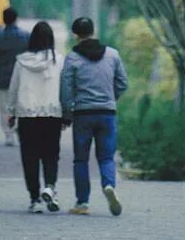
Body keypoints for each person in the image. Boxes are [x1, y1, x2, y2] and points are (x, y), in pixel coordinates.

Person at [60, 16, 128, 217]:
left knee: (81, 160)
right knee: (106, 157)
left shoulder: (72, 58)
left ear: (75, 35)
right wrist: (110, 98)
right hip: (107, 113)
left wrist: (67, 113)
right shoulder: (113, 55)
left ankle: (82, 203)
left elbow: (66, 90)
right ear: (94, 31)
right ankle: (109, 185)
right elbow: (123, 83)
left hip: (83, 114)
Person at [7, 21, 64, 213]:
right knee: (51, 155)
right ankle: (50, 187)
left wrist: (11, 112)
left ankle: (35, 198)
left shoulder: (21, 62)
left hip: (27, 115)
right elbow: (64, 89)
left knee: (29, 157)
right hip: (52, 114)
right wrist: (66, 113)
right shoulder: (59, 61)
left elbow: (14, 88)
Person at [0, 7, 29, 146]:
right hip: (22, 76)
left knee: (4, 106)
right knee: (20, 105)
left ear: (3, 19)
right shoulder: (25, 36)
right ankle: (20, 129)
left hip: (4, 76)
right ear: (16, 19)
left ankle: (8, 134)